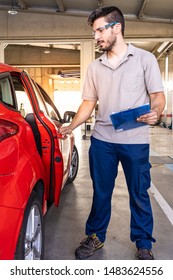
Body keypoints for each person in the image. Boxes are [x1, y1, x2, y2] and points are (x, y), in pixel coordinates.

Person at [60, 6, 165, 260]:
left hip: (135, 140)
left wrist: (156, 112)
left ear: (116, 27)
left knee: (139, 192)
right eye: (94, 32)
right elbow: (88, 103)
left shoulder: (144, 59)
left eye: (99, 30)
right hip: (102, 141)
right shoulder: (95, 67)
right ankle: (95, 236)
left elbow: (157, 97)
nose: (95, 36)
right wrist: (71, 126)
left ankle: (143, 242)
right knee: (101, 191)